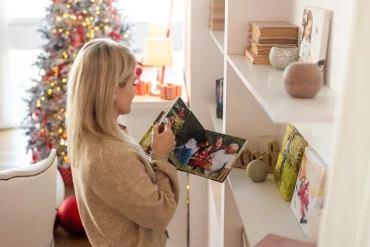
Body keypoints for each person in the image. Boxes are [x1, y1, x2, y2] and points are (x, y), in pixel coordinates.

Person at [66, 38, 179, 247]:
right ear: (113, 90)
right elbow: (160, 213)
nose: (135, 90)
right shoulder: (110, 156)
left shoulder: (90, 136)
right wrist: (160, 156)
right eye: (132, 83)